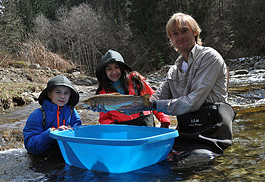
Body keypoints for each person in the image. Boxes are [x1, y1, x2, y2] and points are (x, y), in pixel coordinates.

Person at [118, 13, 236, 158]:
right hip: (188, 130)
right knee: (152, 157)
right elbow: (156, 98)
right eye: (175, 33)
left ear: (195, 32)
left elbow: (193, 102)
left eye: (185, 30)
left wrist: (152, 106)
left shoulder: (210, 57)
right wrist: (126, 106)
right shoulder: (173, 70)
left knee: (191, 163)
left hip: (212, 132)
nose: (180, 36)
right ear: (171, 39)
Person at [92, 49, 171, 128]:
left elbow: (156, 100)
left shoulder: (136, 80)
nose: (114, 72)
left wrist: (164, 120)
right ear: (104, 72)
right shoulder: (102, 94)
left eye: (117, 67)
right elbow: (104, 119)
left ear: (122, 68)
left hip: (146, 124)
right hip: (122, 130)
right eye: (109, 69)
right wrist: (111, 127)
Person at [23, 74, 82, 155]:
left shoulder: (72, 112)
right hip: (43, 158)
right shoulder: (37, 115)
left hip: (66, 155)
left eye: (66, 93)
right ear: (49, 94)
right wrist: (50, 134)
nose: (62, 96)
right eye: (58, 92)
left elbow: (79, 134)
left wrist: (71, 131)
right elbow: (31, 146)